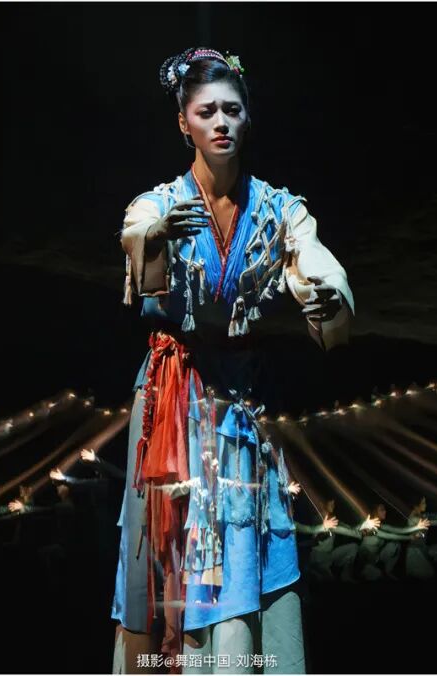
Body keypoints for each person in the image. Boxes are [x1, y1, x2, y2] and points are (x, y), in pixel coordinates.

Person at [114, 47, 354, 674]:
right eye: (206, 112)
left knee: (243, 537)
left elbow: (317, 260)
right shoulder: (160, 201)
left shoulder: (278, 209)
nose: (220, 122)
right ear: (183, 123)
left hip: (240, 401)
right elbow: (137, 237)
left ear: (248, 118)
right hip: (172, 398)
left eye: (232, 110)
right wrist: (156, 236)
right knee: (170, 545)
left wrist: (325, 293)